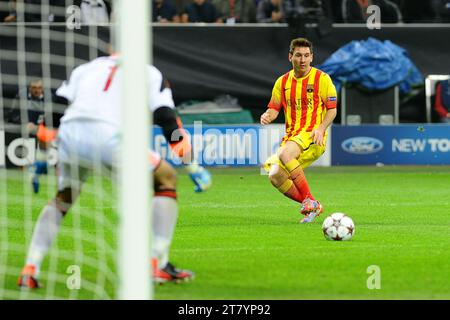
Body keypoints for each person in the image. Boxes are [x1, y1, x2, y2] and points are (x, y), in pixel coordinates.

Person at [17, 53, 194, 289]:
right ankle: (157, 264)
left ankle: (30, 268)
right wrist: (191, 164)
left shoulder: (86, 68)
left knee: (64, 198)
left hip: (72, 134)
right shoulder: (148, 71)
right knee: (166, 178)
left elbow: (55, 112)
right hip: (110, 137)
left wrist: (40, 158)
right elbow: (165, 118)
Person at [260, 38, 337, 223]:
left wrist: (320, 128)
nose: (302, 60)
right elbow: (274, 108)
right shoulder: (283, 82)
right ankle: (312, 205)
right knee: (275, 175)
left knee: (285, 154)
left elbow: (332, 110)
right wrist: (268, 115)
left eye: (306, 56)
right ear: (290, 57)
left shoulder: (322, 79)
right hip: (292, 137)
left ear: (312, 57)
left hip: (312, 135)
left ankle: (309, 200)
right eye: (298, 55)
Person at [6, 79, 57, 194]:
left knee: (46, 146)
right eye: (34, 88)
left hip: (43, 127)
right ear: (30, 88)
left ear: (42, 89)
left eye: (39, 88)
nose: (36, 90)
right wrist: (24, 123)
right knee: (26, 143)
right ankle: (28, 170)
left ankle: (38, 170)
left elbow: (53, 116)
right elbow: (12, 114)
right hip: (24, 127)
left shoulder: (50, 98)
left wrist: (39, 125)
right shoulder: (22, 95)